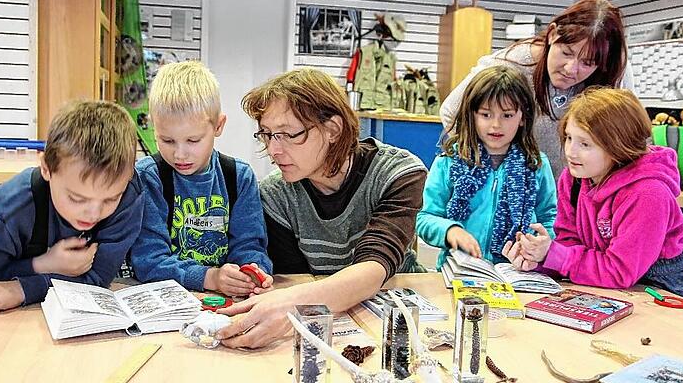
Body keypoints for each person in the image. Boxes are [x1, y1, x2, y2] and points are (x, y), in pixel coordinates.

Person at [215, 67, 427, 348]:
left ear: (332, 129)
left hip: (399, 315)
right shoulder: (276, 193)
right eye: (267, 135)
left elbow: (374, 266)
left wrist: (293, 304)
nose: (275, 151)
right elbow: (294, 279)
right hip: (323, 318)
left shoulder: (398, 173)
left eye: (289, 134)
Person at [502, 87, 683, 305]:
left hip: (670, 287)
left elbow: (620, 271)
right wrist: (539, 258)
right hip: (612, 283)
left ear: (619, 146)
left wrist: (555, 256)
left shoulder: (648, 193)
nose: (570, 152)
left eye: (585, 144)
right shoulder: (573, 179)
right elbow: (570, 245)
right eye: (568, 138)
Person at [0, 101, 145, 313]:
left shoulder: (129, 194)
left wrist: (24, 288)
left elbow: (98, 277)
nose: (94, 213)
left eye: (110, 200)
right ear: (46, 168)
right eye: (76, 198)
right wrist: (42, 265)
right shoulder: (7, 208)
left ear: (128, 176)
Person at [440, 0, 633, 178]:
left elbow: (628, 138)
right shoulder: (509, 64)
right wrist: (490, 174)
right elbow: (451, 112)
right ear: (552, 34)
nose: (571, 69)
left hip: (574, 197)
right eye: (566, 52)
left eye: (588, 63)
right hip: (515, 191)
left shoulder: (615, 74)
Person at [129, 61, 273, 297]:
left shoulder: (239, 177)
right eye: (167, 140)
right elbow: (148, 260)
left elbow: (250, 245)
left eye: (193, 140)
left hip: (223, 300)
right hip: (168, 299)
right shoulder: (148, 177)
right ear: (153, 126)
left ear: (218, 126)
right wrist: (210, 277)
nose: (180, 154)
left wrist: (252, 272)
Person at [417, 65, 557, 269]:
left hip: (516, 272)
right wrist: (450, 231)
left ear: (522, 118)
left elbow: (549, 218)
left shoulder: (536, 164)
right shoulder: (448, 161)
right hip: (458, 272)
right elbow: (425, 218)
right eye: (486, 115)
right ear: (472, 116)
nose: (496, 125)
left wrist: (540, 245)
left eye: (507, 115)